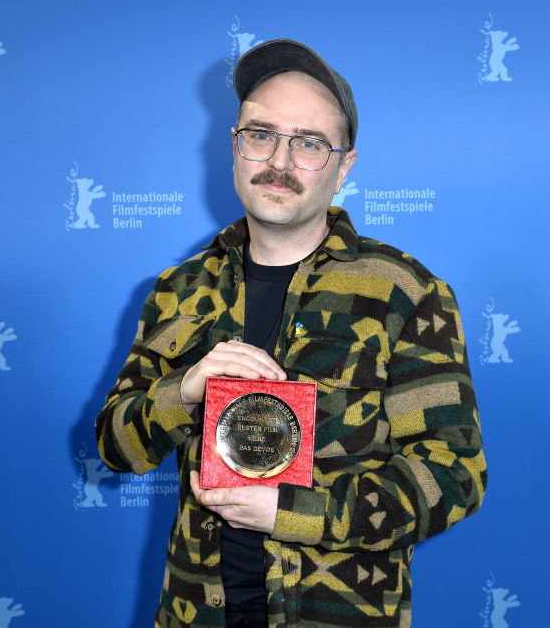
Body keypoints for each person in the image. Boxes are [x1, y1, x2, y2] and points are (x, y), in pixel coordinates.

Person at [96, 39, 486, 628]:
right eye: (261, 134)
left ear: (343, 166)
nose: (279, 161)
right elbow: (114, 447)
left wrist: (291, 512)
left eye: (308, 143)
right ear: (233, 146)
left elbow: (454, 475)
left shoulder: (404, 292)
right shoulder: (180, 289)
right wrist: (184, 391)